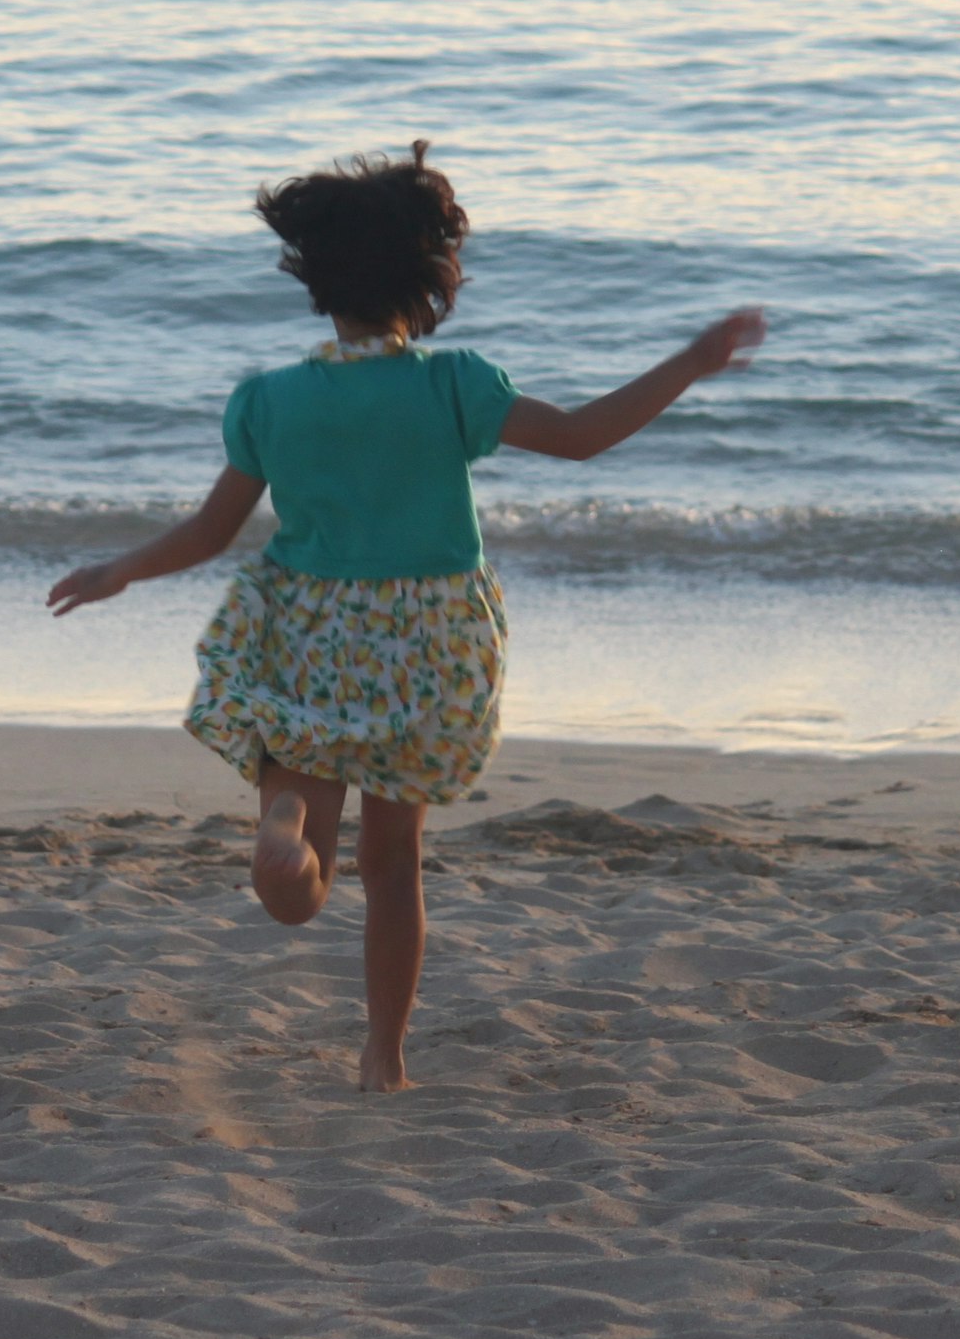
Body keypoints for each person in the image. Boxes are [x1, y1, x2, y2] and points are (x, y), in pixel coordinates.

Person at [47, 143, 765, 1091]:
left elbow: (212, 531)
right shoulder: (453, 384)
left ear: (318, 277)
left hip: (305, 626)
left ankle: (285, 828)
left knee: (304, 887)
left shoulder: (272, 400)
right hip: (427, 636)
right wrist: (689, 361)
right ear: (429, 277)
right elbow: (584, 438)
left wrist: (119, 570)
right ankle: (383, 1057)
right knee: (395, 864)